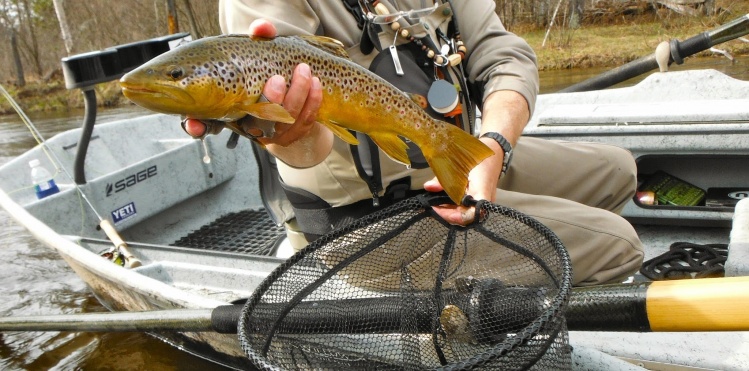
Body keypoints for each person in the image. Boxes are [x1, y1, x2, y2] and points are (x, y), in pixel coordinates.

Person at [185, 0, 644, 286]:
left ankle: (501, 256)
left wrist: (494, 145)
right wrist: (282, 131)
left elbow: (503, 54)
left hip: (444, 157)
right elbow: (307, 148)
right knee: (619, 246)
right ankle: (488, 317)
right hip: (364, 223)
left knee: (619, 171)